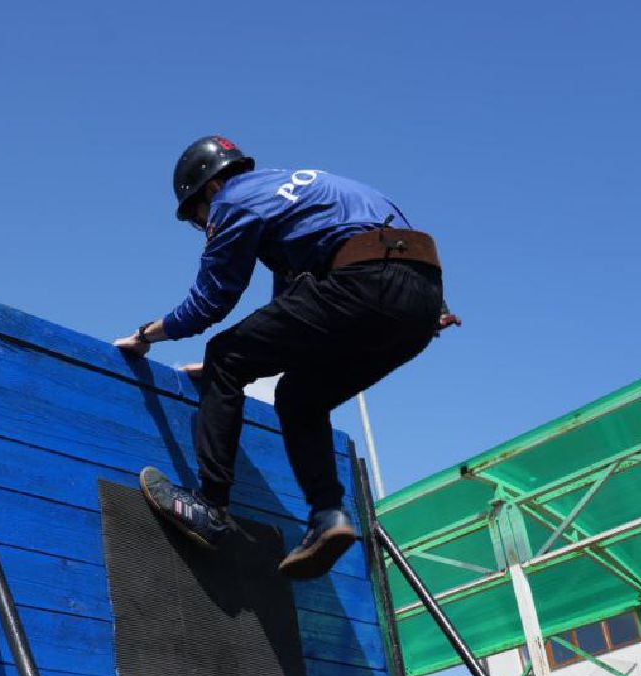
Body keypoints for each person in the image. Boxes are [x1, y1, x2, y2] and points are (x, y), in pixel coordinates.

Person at [116, 136, 459, 579]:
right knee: (300, 397)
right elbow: (293, 307)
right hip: (420, 305)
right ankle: (328, 519)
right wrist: (254, 359)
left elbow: (211, 303)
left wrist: (149, 335)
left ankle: (211, 507)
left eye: (198, 217)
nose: (204, 226)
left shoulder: (233, 201)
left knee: (222, 353)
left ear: (211, 189)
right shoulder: (304, 188)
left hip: (363, 284)